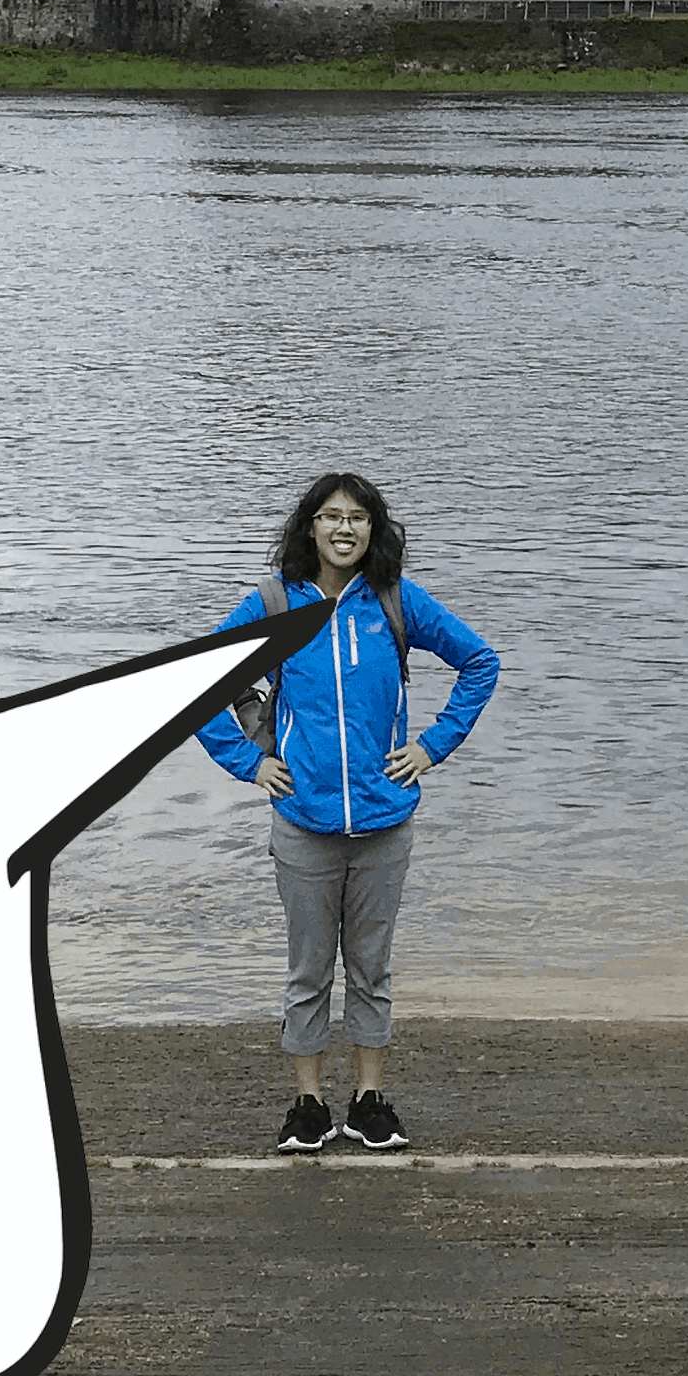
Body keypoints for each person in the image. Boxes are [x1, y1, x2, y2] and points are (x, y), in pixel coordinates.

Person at [195, 471, 501, 1154]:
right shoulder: (276, 601)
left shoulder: (395, 602)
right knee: (309, 971)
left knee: (371, 969)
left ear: (374, 530)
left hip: (385, 823)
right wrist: (250, 763)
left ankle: (368, 1103)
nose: (344, 529)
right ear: (310, 526)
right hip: (303, 821)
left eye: (358, 518)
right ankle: (307, 1106)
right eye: (331, 517)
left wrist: (430, 748)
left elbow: (480, 662)